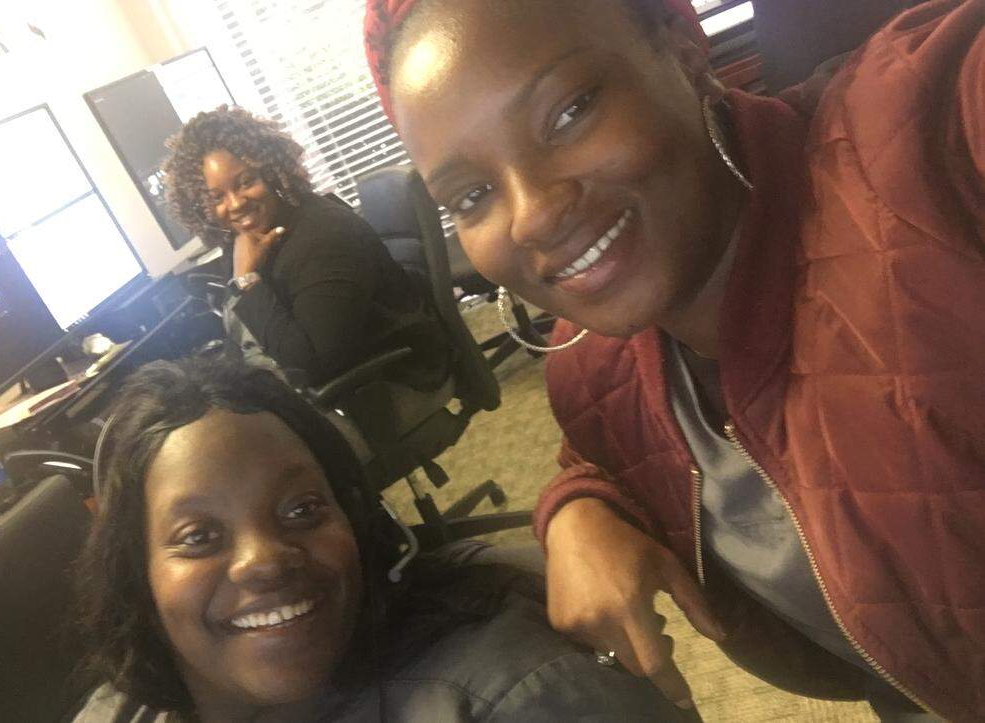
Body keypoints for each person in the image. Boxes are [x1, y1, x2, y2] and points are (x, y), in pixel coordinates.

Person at [363, 0, 984, 720]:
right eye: (472, 195)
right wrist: (576, 508)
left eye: (570, 111)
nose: (532, 213)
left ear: (682, 50)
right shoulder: (591, 372)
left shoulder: (923, 135)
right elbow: (600, 449)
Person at [71, 357, 694, 722]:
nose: (263, 560)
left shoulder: (517, 697)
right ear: (137, 575)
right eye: (200, 536)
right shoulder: (119, 708)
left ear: (358, 523)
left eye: (302, 509)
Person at [163, 106, 447, 391]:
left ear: (271, 172)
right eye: (217, 197)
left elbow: (312, 368)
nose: (236, 203)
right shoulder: (244, 241)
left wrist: (247, 281)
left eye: (246, 182)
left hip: (387, 384)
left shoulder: (322, 238)